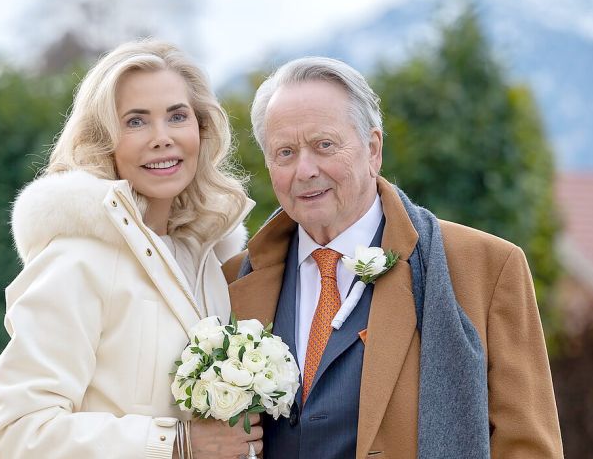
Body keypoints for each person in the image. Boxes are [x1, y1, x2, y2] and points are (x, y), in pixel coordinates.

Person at [222, 57, 564, 458]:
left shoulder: (486, 268)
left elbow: (528, 448)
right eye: (285, 152)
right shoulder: (232, 280)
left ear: (373, 149)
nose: (305, 169)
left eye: (324, 145)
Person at [0, 40, 262, 458]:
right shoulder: (76, 259)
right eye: (136, 122)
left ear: (201, 129)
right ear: (103, 141)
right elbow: (20, 434)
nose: (162, 138)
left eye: (177, 116)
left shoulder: (207, 259)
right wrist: (177, 445)